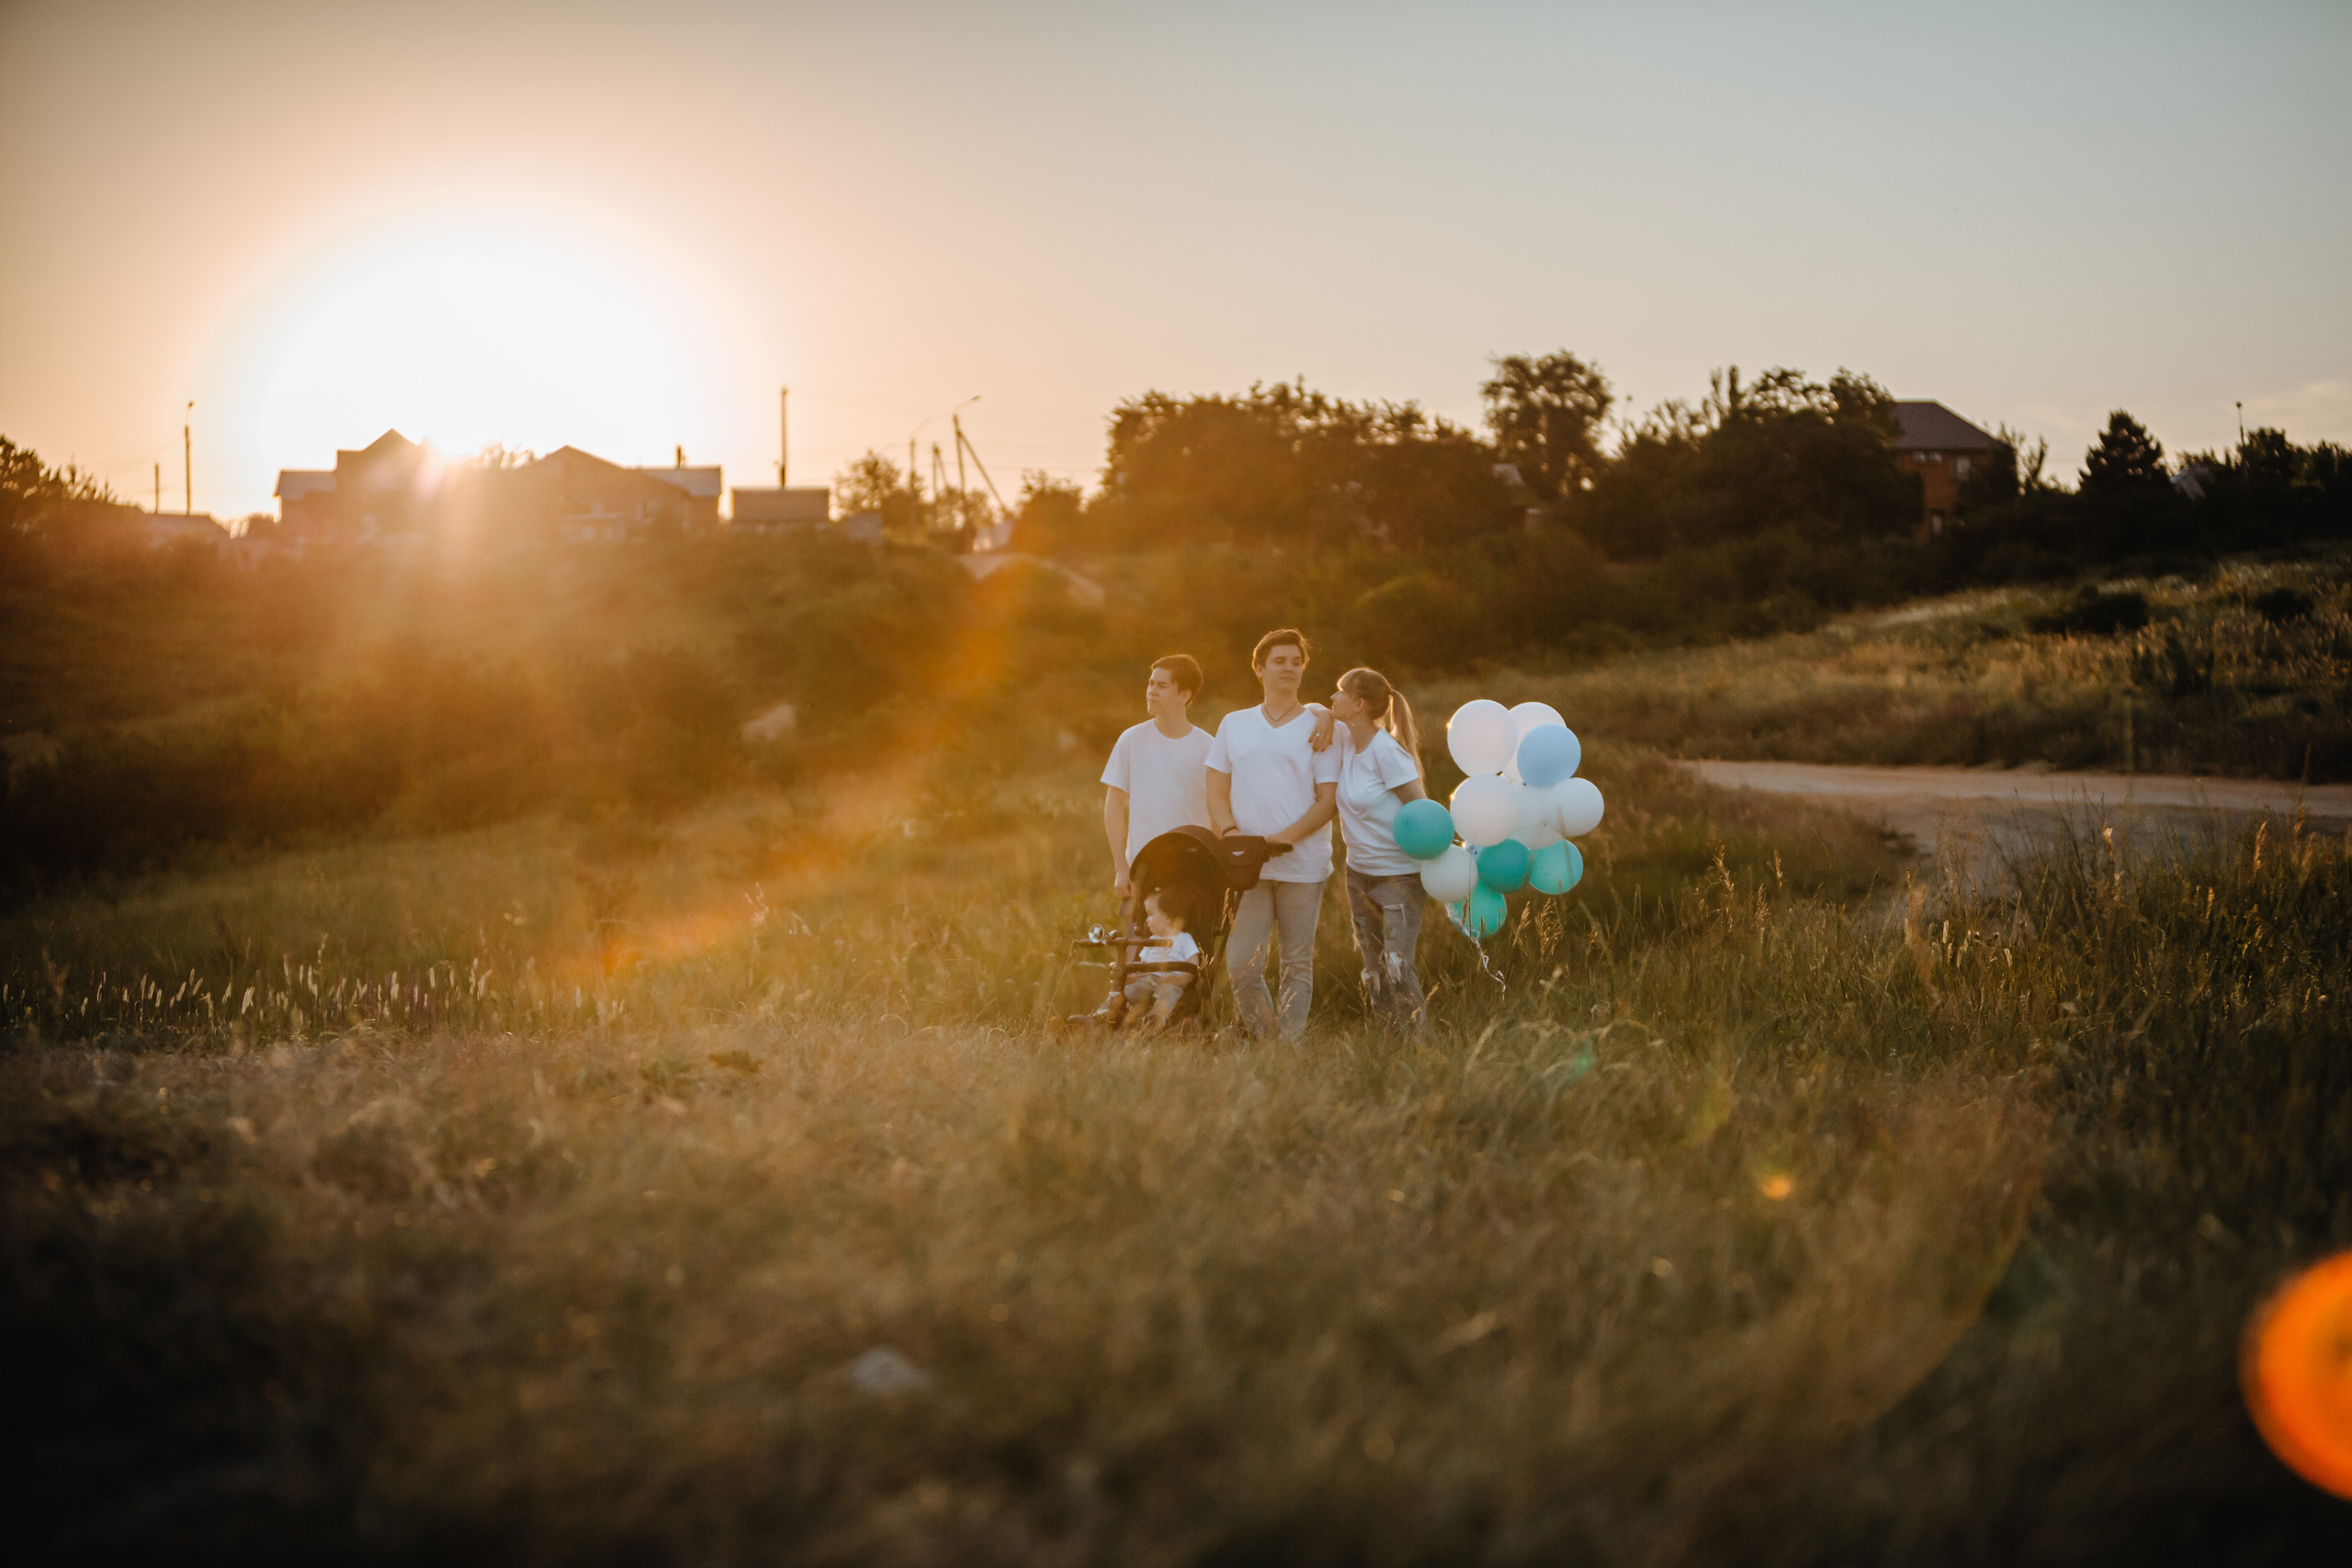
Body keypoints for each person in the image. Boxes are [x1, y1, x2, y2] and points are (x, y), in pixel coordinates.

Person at [1206, 629, 1340, 1041]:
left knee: (1296, 963)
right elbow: (1215, 788)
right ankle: (1268, 1043)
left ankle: (1290, 1048)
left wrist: (1280, 839)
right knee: (1242, 963)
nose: (1289, 668)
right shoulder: (1234, 724)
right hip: (1247, 866)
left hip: (1303, 863)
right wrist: (1230, 833)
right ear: (1259, 669)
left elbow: (1327, 801)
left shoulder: (1320, 727)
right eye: (1280, 661)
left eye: (1296, 662)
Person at [1329, 666, 1430, 1032]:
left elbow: (1423, 812)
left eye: (1339, 693)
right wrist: (1325, 716)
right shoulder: (1344, 739)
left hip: (1398, 877)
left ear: (1357, 704)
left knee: (1397, 965)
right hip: (1358, 876)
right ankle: (1390, 1049)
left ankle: (1422, 1048)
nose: (1332, 699)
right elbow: (1310, 709)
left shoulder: (1387, 753)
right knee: (1374, 971)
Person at [1101, 655, 1213, 906]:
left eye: (1161, 686)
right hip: (1142, 870)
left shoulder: (1208, 747)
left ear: (1184, 695)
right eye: (1151, 684)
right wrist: (1122, 867)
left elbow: (1217, 808)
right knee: (1138, 944)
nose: (1151, 691)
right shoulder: (1131, 740)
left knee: (1192, 945)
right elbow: (1114, 804)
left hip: (1193, 870)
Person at [1119, 887, 1201, 1030]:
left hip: (1171, 981)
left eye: (1150, 915)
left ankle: (1155, 1020)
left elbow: (1193, 967)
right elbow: (1141, 965)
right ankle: (1104, 1014)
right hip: (1148, 979)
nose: (1146, 920)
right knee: (1128, 991)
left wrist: (1180, 980)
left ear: (1168, 917)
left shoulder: (1184, 939)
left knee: (1167, 994)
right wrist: (1133, 975)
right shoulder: (1151, 940)